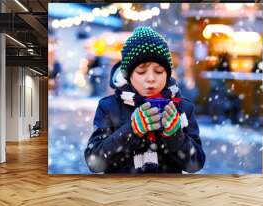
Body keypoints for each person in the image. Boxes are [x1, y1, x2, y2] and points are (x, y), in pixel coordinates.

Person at [85, 27, 205, 173]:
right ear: (128, 75)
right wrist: (132, 130)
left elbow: (196, 163)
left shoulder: (182, 107)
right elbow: (95, 163)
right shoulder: (109, 107)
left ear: (167, 74)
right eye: (141, 71)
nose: (151, 78)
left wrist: (175, 135)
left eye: (159, 71)